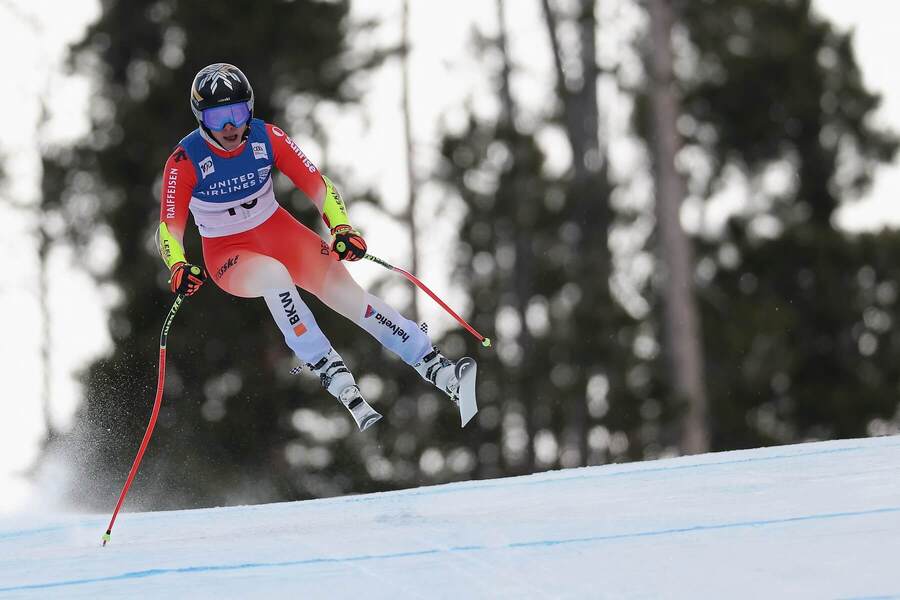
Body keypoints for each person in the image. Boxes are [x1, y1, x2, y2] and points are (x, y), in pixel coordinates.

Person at [157, 63, 471, 431]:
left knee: (351, 297)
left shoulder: (267, 137)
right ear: (200, 118)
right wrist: (177, 265)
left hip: (279, 232)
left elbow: (319, 185)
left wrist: (342, 228)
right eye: (217, 117)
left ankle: (437, 367)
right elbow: (168, 228)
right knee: (274, 277)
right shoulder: (185, 159)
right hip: (228, 254)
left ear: (250, 109)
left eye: (237, 112)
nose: (229, 126)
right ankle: (330, 371)